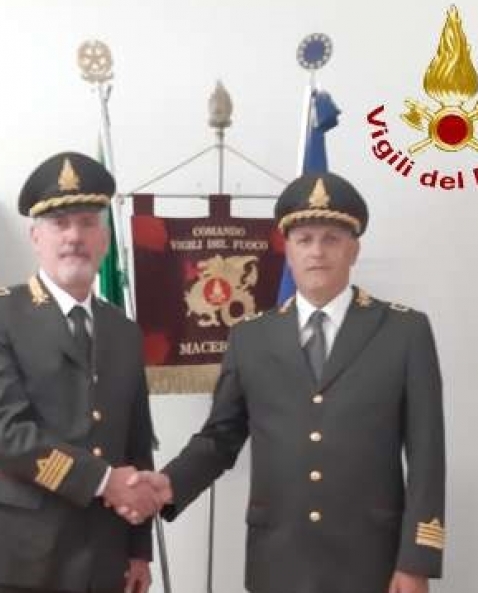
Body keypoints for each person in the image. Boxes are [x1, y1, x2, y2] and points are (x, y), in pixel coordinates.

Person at [125, 172, 446, 593]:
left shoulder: (404, 332)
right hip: (278, 560)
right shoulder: (251, 337)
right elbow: (221, 437)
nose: (317, 251)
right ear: (287, 249)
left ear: (354, 249)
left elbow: (427, 455)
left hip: (373, 561)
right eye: (304, 239)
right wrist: (169, 483)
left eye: (331, 239)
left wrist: (417, 560)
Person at [0, 151, 162, 593]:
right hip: (15, 557)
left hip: (103, 553)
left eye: (87, 222)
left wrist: (138, 548)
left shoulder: (123, 331)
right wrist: (103, 480)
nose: (74, 236)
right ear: (36, 236)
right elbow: (0, 432)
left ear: (104, 239)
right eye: (59, 223)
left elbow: (136, 443)